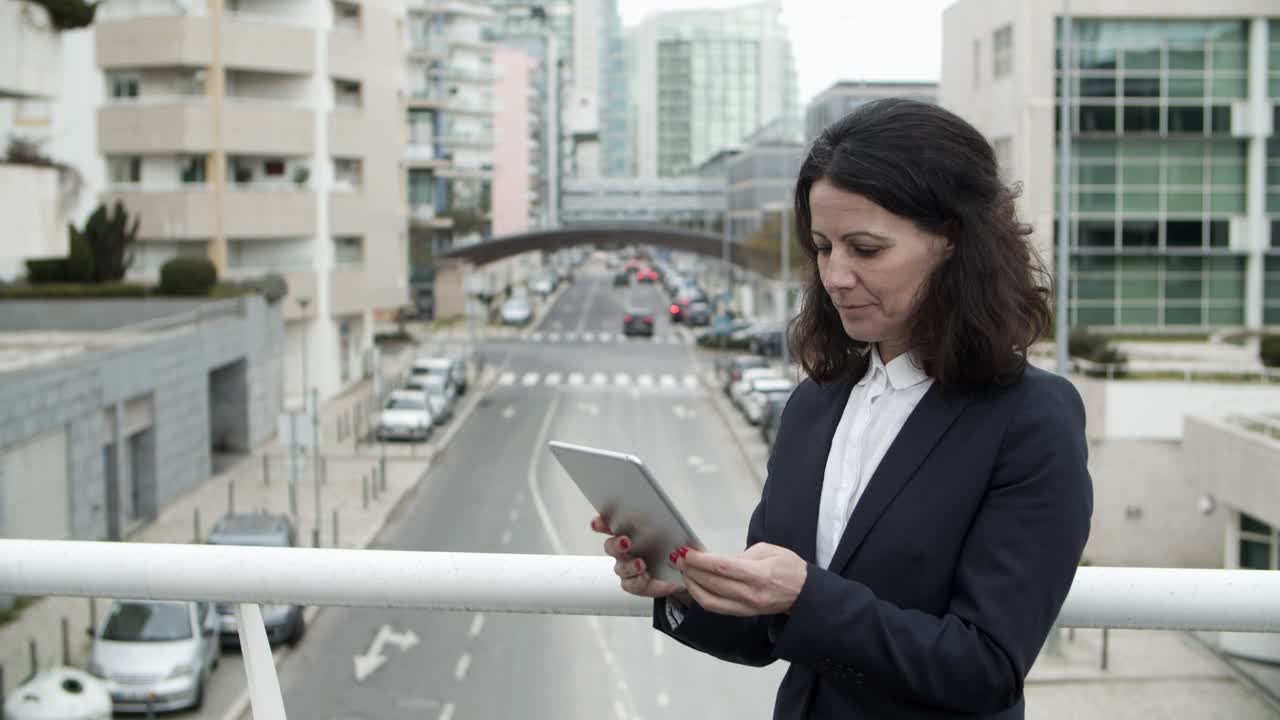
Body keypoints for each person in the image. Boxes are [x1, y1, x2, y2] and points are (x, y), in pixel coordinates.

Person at [592, 98, 1093, 719]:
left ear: (954, 243)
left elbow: (985, 668)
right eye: (824, 247)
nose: (835, 275)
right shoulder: (816, 403)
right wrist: (681, 591)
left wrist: (806, 594)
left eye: (866, 249)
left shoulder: (1031, 419)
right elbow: (767, 632)